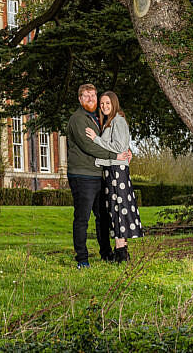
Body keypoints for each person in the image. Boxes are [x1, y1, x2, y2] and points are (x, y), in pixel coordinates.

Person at [66, 83, 132, 268]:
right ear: (80, 99)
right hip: (82, 175)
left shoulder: (99, 118)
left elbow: (112, 141)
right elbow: (90, 146)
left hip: (100, 175)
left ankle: (107, 254)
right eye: (86, 96)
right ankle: (82, 259)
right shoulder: (78, 119)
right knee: (82, 218)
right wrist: (115, 156)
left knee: (104, 217)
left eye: (93, 96)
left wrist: (126, 151)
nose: (91, 99)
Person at [85, 90, 143, 262]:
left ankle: (120, 253)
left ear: (114, 104)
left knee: (118, 209)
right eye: (102, 104)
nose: (104, 107)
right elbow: (121, 148)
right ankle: (123, 252)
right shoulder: (112, 122)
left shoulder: (118, 121)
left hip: (117, 174)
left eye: (107, 103)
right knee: (118, 209)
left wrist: (96, 139)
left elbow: (118, 147)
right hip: (114, 172)